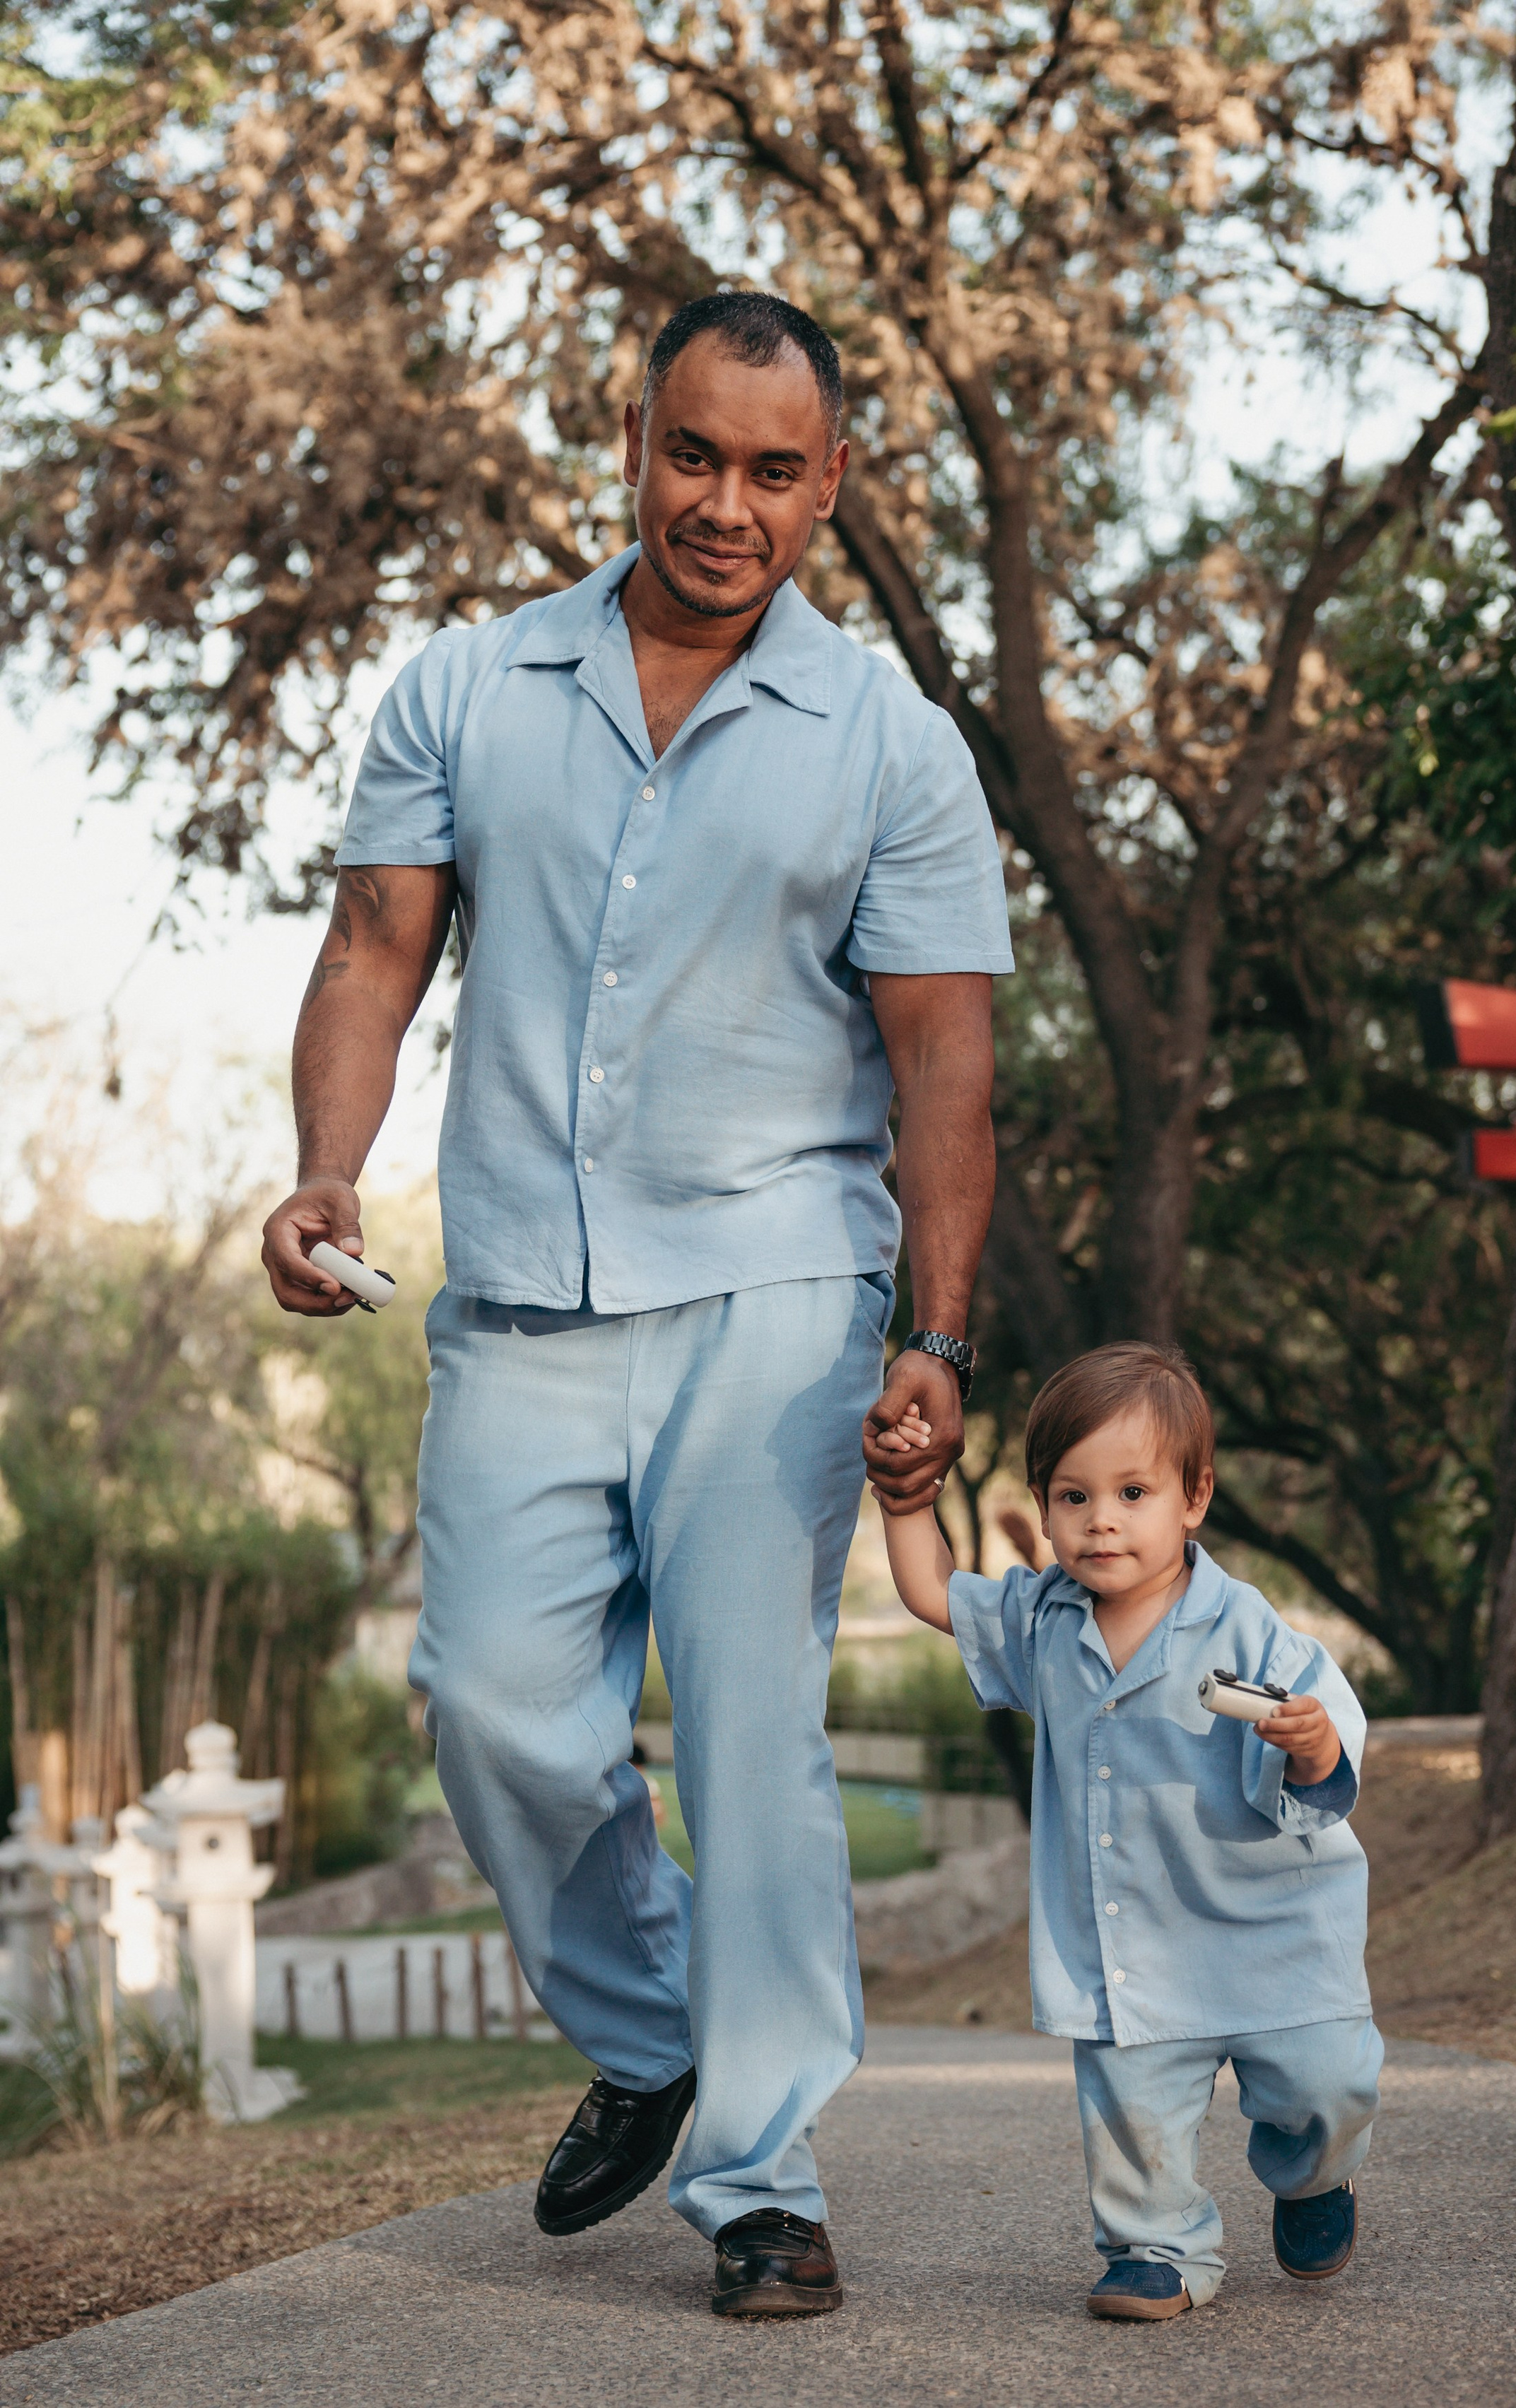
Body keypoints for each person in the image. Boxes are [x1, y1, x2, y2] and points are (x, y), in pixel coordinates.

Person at [261, 290, 1013, 2317]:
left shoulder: (893, 747)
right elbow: (368, 956)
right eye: (697, 455)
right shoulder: (471, 687)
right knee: (493, 1711)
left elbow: (946, 1063)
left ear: (832, 485)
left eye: (777, 471)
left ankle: (763, 2179)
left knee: (754, 1736)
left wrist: (933, 1341)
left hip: (777, 1287)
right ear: (639, 440)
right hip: (518, 1286)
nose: (727, 504)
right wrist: (328, 1167)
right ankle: (658, 2034)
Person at [878, 1341, 1382, 2320]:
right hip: (1130, 1939)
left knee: (1326, 2090)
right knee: (1131, 2108)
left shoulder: (1250, 1631)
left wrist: (1312, 1743)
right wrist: (906, 1503)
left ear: (1193, 1499)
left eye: (1133, 1492)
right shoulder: (1042, 1620)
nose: (1100, 1519)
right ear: (1045, 1500)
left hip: (1276, 1932)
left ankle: (1316, 2177)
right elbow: (936, 1592)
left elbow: (1326, 1745)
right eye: (1073, 1497)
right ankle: (1156, 2247)